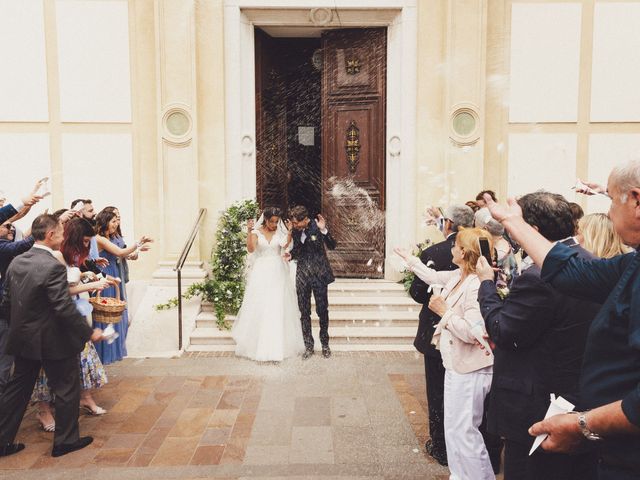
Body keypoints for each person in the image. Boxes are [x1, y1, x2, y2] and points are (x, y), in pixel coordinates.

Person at [483, 160, 640, 479]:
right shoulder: (631, 265)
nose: (608, 212)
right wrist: (515, 224)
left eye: (610, 199)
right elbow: (571, 271)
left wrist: (585, 425)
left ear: (635, 200)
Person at [476, 191, 599, 480]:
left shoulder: (539, 276)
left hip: (537, 404)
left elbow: (503, 330)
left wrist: (486, 286)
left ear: (533, 231)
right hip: (575, 393)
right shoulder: (588, 260)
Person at [395, 227, 496, 480]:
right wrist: (409, 259)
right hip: (454, 365)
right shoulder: (458, 275)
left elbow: (474, 333)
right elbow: (431, 276)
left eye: (455, 246)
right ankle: (459, 475)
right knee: (453, 429)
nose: (450, 249)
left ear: (463, 252)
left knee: (465, 432)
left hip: (471, 369)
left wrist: (444, 311)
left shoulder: (475, 286)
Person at [0, 214, 104, 458]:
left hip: (23, 339)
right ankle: (65, 442)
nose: (63, 235)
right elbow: (63, 306)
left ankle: (2, 441)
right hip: (52, 340)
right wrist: (88, 332)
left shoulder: (17, 262)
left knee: (17, 391)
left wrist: (19, 326)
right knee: (67, 388)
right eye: (60, 231)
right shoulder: (52, 266)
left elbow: (6, 302)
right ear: (50, 235)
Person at [31, 218, 113, 431]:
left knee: (81, 359)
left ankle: (84, 399)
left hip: (74, 315)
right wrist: (95, 283)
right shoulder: (54, 255)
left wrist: (86, 274)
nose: (87, 246)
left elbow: (70, 280)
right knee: (47, 369)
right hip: (58, 320)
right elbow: (61, 291)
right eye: (85, 241)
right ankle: (46, 411)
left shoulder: (65, 255)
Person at [408, 204, 474, 466]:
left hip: (439, 332)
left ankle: (441, 447)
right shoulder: (485, 249)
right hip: (468, 339)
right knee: (465, 394)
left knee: (437, 391)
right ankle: (464, 444)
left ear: (448, 223)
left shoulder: (434, 252)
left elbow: (416, 293)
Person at [231, 207, 305, 361]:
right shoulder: (257, 232)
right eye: (272, 222)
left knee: (276, 305)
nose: (275, 224)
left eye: (277, 222)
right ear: (265, 220)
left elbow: (285, 245)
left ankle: (277, 347)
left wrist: (290, 231)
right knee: (261, 305)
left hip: (278, 272)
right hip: (262, 272)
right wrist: (249, 232)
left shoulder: (279, 232)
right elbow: (251, 249)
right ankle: (257, 346)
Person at [94, 209, 152, 365]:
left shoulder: (114, 236)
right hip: (107, 274)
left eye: (118, 220)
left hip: (118, 273)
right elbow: (120, 252)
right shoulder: (99, 238)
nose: (117, 223)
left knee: (119, 311)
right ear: (105, 221)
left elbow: (127, 254)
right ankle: (106, 353)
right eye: (113, 220)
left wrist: (137, 251)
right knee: (107, 312)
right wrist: (137, 244)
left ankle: (117, 350)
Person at [286, 205, 337, 359]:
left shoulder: (318, 227)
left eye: (296, 223)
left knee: (322, 311)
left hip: (319, 275)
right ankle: (308, 346)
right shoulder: (295, 230)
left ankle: (325, 345)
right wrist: (291, 254)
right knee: (304, 312)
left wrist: (324, 231)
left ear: (305, 219)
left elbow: (332, 246)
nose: (294, 226)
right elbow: (299, 249)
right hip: (302, 275)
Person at [0, 221, 35, 392]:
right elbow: (23, 245)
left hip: (7, 308)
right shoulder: (3, 247)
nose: (10, 229)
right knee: (5, 354)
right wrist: (43, 231)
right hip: (4, 310)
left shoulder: (6, 244)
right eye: (6, 226)